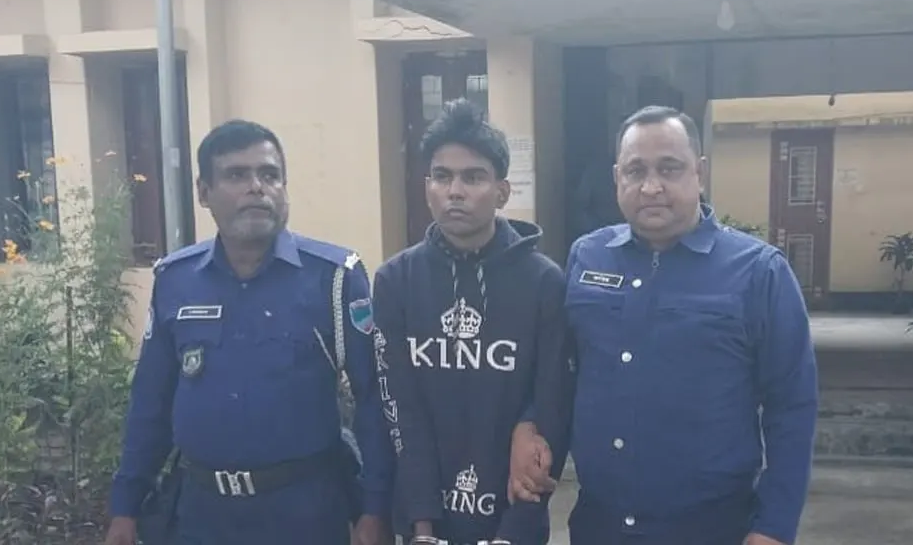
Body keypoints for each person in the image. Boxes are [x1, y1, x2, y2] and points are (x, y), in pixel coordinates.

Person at [510, 105, 818, 545]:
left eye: (669, 169)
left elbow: (792, 405)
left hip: (712, 528)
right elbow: (560, 366)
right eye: (636, 171)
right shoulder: (588, 257)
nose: (651, 187)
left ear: (700, 173)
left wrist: (774, 526)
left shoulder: (759, 273)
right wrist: (529, 423)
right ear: (617, 177)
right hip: (599, 525)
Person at [104, 119, 394, 545]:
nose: (257, 188)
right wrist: (126, 507)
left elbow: (373, 400)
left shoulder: (333, 278)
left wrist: (375, 508)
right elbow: (151, 401)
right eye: (237, 175)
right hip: (201, 516)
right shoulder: (175, 279)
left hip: (305, 514)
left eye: (270, 175)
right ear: (204, 192)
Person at [374, 99, 574, 545]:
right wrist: (421, 527)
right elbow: (401, 410)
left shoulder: (544, 283)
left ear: (502, 192)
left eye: (473, 177)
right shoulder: (395, 282)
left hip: (513, 522)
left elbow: (551, 404)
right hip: (425, 523)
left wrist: (513, 532)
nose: (455, 191)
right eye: (442, 176)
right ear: (427, 186)